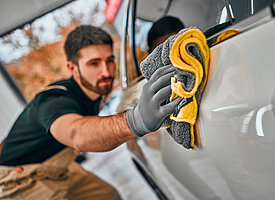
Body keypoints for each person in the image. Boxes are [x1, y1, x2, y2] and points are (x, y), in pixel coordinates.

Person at [0, 25, 181, 199]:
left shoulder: (94, 92)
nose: (106, 72)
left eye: (110, 61)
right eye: (94, 63)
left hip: (58, 168)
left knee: (107, 196)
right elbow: (77, 133)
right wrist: (136, 120)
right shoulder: (54, 100)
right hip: (18, 180)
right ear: (72, 68)